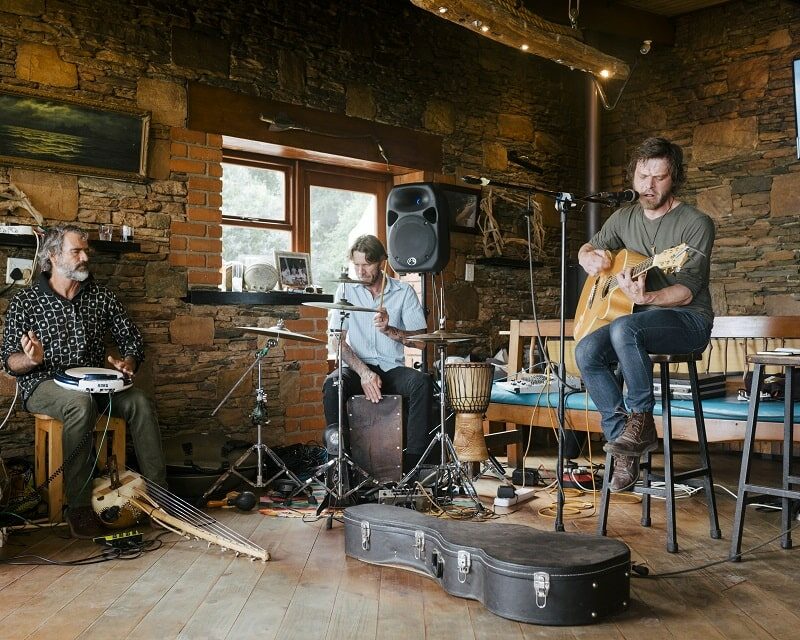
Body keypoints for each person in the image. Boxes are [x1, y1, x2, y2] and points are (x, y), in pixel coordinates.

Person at [1, 224, 166, 538]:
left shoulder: (101, 297)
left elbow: (132, 340)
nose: (84, 256)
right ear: (53, 256)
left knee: (140, 402)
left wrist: (127, 363)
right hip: (44, 384)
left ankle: (158, 497)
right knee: (79, 403)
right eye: (76, 251)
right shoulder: (26, 301)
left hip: (97, 383)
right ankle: (78, 506)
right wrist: (31, 360)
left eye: (85, 250)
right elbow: (8, 359)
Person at [575, 137, 715, 492]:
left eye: (659, 177)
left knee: (625, 329)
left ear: (675, 178)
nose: (647, 186)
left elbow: (686, 291)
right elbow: (590, 247)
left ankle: (642, 420)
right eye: (642, 176)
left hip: (688, 321)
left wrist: (649, 294)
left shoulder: (695, 223)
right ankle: (622, 442)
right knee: (586, 352)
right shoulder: (624, 217)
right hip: (637, 322)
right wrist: (588, 257)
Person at [322, 234, 433, 471]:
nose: (360, 272)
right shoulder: (345, 291)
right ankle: (340, 462)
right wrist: (363, 372)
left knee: (422, 383)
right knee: (333, 384)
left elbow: (422, 342)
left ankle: (414, 467)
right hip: (357, 367)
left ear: (382, 261)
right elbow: (337, 342)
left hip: (391, 370)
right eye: (357, 265)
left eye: (367, 265)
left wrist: (390, 330)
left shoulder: (403, 292)